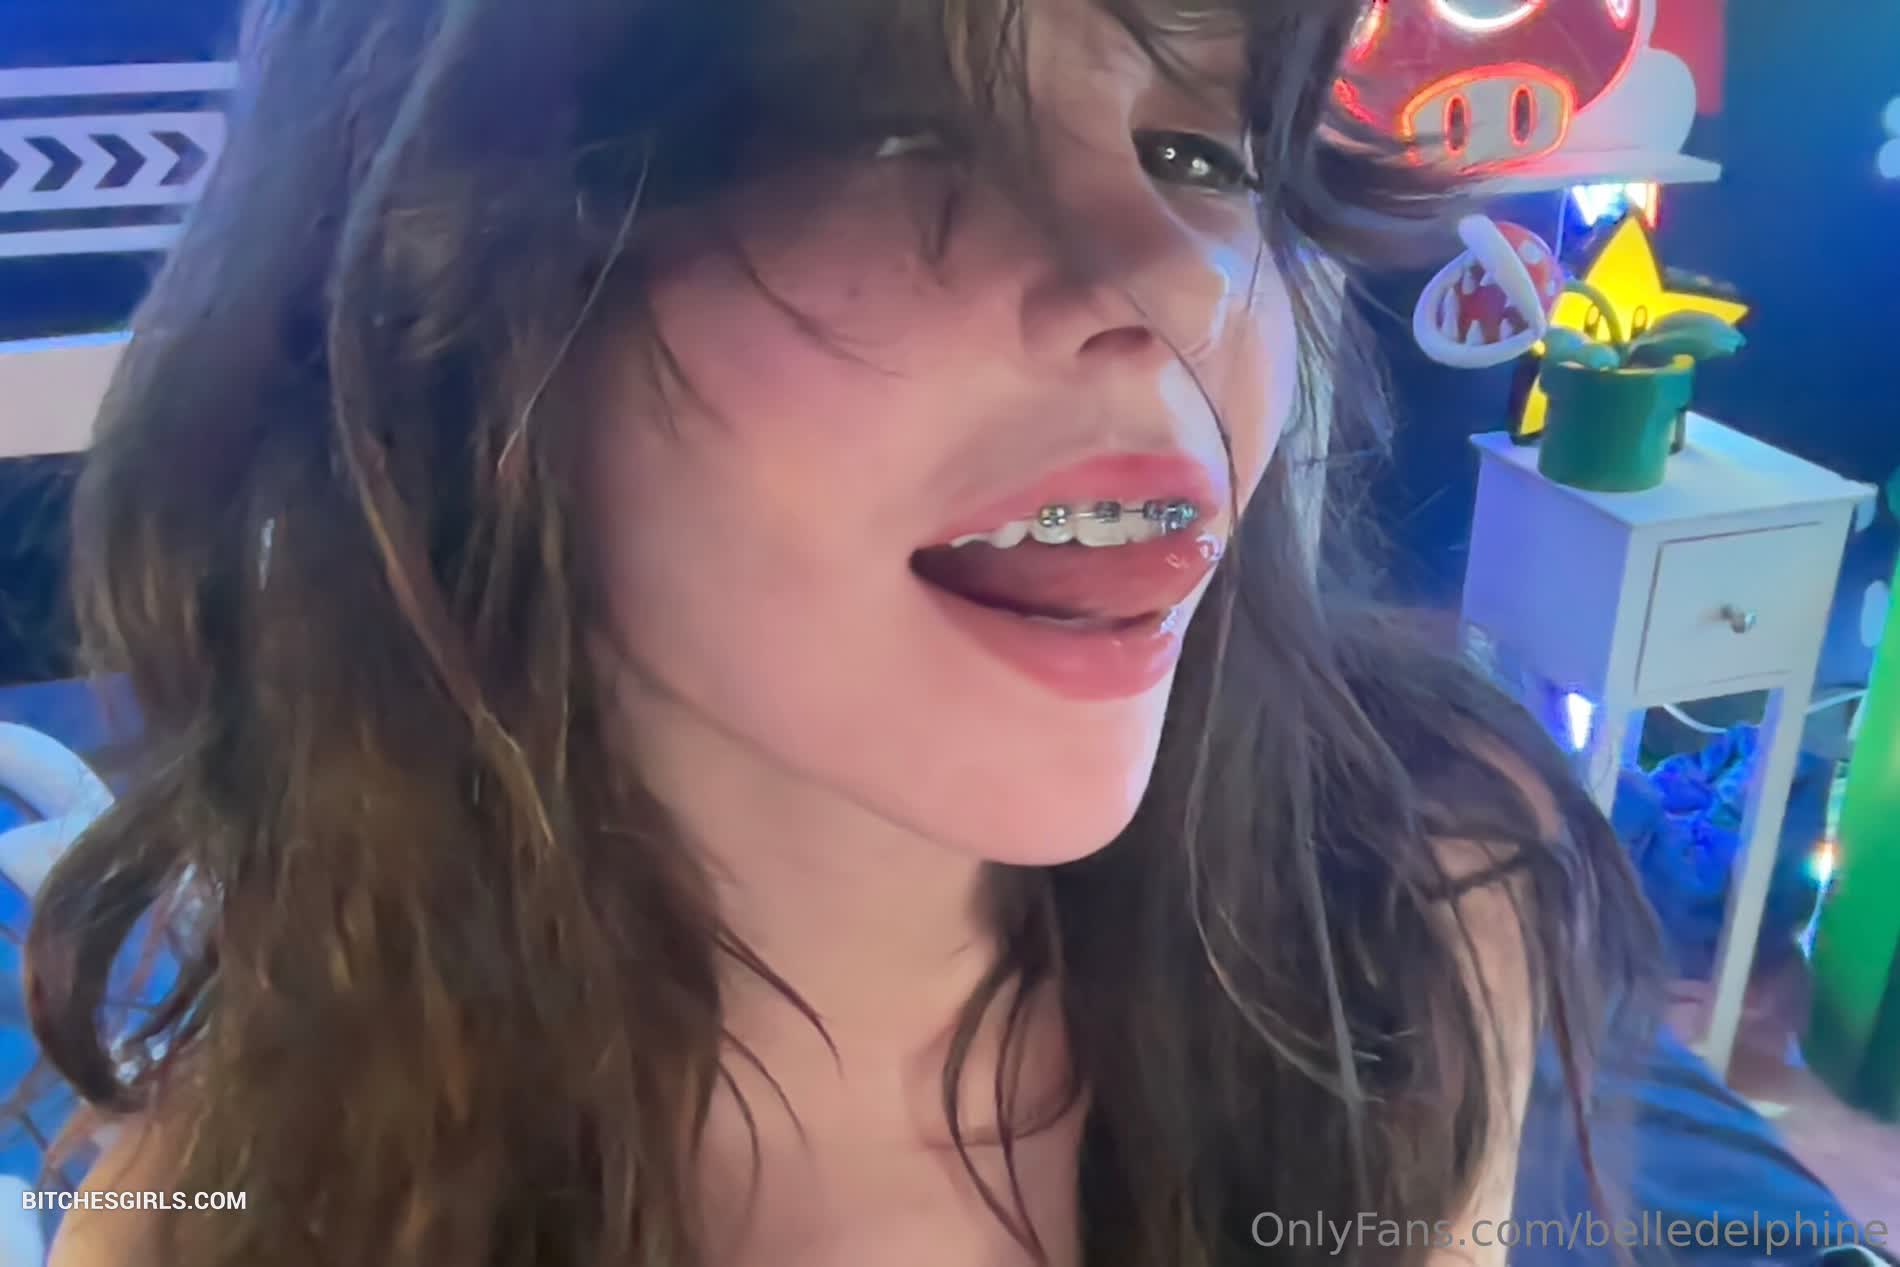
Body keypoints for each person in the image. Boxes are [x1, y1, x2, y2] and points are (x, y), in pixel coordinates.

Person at [27, 0, 1661, 1264]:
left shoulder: (1420, 911)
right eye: (894, 136)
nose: (1177, 284)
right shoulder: (221, 1219)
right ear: (455, 316)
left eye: (1201, 152)